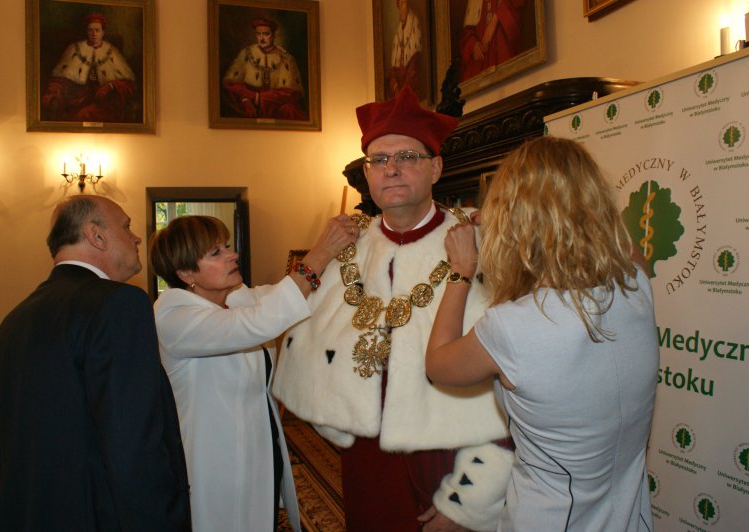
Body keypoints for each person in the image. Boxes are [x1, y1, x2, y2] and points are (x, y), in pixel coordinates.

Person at [273, 85, 513, 531]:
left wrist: (469, 501)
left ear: (436, 167)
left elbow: (516, 378)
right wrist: (338, 417)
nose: (392, 169)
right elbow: (306, 351)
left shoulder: (483, 243)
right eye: (379, 160)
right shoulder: (346, 250)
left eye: (407, 157)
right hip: (366, 460)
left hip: (452, 456)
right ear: (367, 174)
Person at [425, 136, 658, 530]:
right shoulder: (636, 285)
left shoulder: (513, 327)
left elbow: (438, 364)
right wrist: (577, 209)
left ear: (514, 224)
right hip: (630, 518)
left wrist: (461, 269)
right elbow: (626, 249)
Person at [0, 196, 191, 531]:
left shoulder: (14, 320)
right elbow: (134, 445)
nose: (137, 237)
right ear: (96, 235)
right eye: (126, 226)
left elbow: (2, 448)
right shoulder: (119, 304)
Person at [148, 214, 356, 531]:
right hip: (214, 461)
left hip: (260, 447)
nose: (232, 254)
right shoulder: (173, 316)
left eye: (226, 246)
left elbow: (293, 295)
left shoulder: (236, 299)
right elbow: (260, 322)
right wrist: (320, 252)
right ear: (186, 273)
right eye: (216, 252)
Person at [41, 13, 138, 122]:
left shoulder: (112, 52)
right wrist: (54, 93)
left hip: (103, 100)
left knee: (85, 115)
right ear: (86, 32)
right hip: (79, 97)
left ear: (103, 32)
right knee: (74, 114)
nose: (94, 34)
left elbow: (129, 83)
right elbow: (60, 78)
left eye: (97, 30)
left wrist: (110, 85)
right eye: (90, 30)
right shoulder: (74, 49)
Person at [222, 17, 307, 120]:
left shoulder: (286, 58)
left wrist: (258, 97)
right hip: (248, 102)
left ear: (274, 35)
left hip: (276, 105)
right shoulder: (246, 53)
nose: (262, 38)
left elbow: (291, 93)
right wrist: (246, 100)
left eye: (266, 34)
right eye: (259, 34)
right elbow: (232, 84)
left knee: (291, 110)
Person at [459, 0, 525, 82]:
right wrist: (473, 44)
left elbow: (516, 5)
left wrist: (495, 19)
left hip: (502, 51)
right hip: (480, 63)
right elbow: (467, 30)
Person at [388, 0, 423, 99]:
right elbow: (393, 69)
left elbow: (415, 62)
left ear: (408, 4)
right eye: (399, 5)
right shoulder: (398, 31)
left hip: (410, 80)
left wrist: (404, 89)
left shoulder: (414, 23)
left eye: (403, 3)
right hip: (400, 83)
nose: (401, 7)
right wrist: (395, 87)